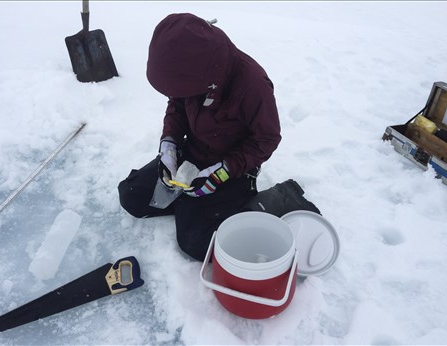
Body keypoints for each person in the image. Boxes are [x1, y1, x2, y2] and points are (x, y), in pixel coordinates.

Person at [118, 13, 319, 261]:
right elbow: (177, 104)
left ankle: (280, 197)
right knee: (132, 195)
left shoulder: (252, 83)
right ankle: (189, 204)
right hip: (191, 154)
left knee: (199, 243)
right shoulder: (190, 71)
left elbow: (267, 139)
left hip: (231, 167)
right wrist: (169, 145)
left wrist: (222, 171)